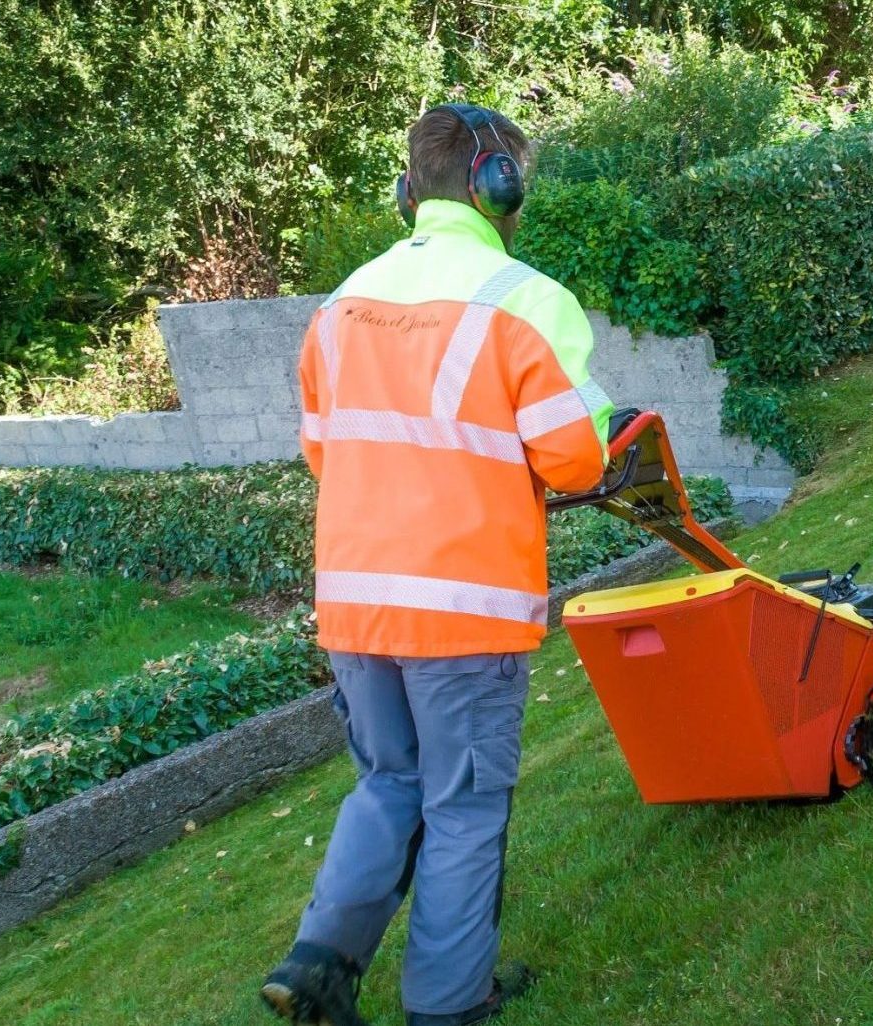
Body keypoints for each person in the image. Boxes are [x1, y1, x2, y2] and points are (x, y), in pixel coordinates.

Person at [260, 103, 615, 1026]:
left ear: (408, 190)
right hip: (462, 610)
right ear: (502, 185)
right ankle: (452, 1005)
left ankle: (319, 962)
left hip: (354, 608)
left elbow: (324, 452)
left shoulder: (339, 308)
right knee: (462, 808)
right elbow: (575, 459)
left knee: (391, 783)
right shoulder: (525, 302)